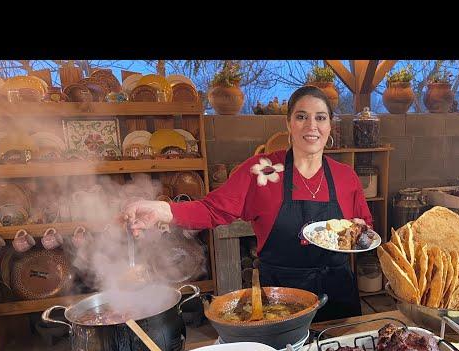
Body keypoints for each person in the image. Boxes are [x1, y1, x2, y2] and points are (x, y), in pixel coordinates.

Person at [123, 85, 373, 322]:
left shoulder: (345, 177)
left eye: (320, 118)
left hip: (338, 294)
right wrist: (164, 210)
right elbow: (212, 209)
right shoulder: (261, 171)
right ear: (288, 123)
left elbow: (365, 227)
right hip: (281, 299)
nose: (311, 125)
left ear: (330, 125)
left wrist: (362, 228)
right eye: (301, 117)